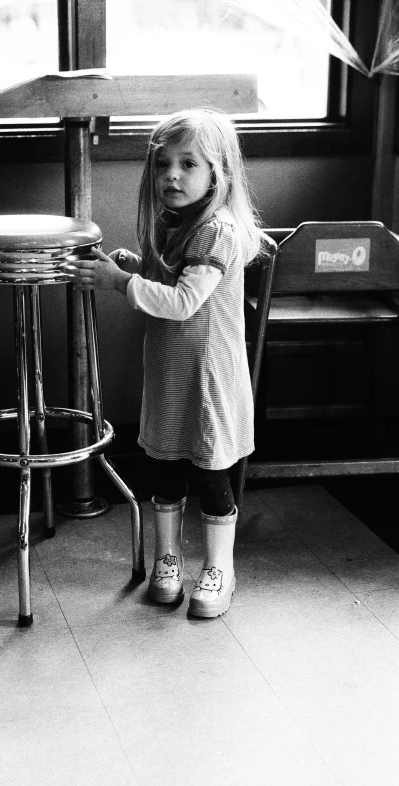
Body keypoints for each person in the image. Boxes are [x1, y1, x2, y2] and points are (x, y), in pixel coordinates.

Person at [71, 108, 264, 618]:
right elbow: (174, 280)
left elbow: (182, 302)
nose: (171, 176)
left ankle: (220, 569)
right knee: (166, 471)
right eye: (162, 165)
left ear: (217, 174)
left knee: (210, 476)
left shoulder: (217, 230)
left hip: (208, 379)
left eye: (188, 164)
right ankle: (168, 559)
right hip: (172, 375)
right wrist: (139, 268)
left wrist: (119, 283)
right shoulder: (176, 220)